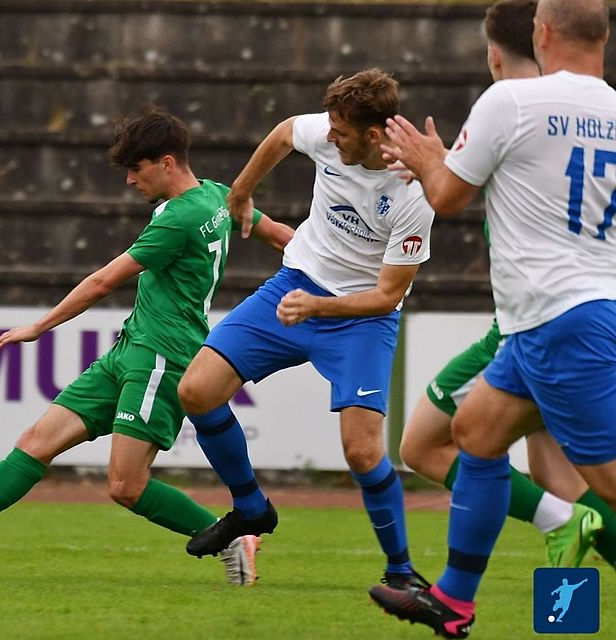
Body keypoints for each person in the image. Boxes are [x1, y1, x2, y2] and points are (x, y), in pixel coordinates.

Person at [0, 105, 295, 586]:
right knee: (37, 441)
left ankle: (233, 537)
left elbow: (101, 283)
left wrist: (39, 326)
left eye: (136, 169)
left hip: (162, 358)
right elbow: (279, 234)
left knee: (125, 486)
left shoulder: (178, 218)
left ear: (167, 163)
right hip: (130, 350)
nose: (131, 181)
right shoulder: (219, 197)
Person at [370, 0, 616, 636]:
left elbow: (448, 196)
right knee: (478, 434)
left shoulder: (512, 101)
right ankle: (455, 600)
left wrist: (428, 157)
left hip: (558, 319)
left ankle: (490, 600)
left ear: (542, 31)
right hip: (567, 317)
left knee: (605, 482)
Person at [176, 69, 436, 591]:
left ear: (373, 134)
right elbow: (283, 133)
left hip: (361, 318)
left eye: (341, 132)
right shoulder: (328, 132)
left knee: (363, 453)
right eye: (330, 127)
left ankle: (402, 572)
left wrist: (318, 308)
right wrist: (241, 194)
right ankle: (251, 509)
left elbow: (388, 295)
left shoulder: (413, 191)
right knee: (197, 390)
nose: (329, 136)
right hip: (295, 285)